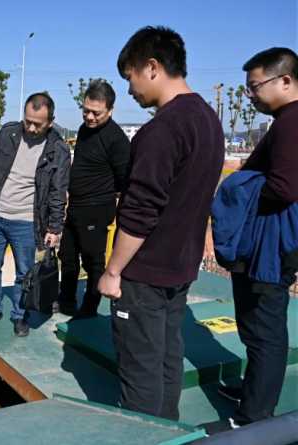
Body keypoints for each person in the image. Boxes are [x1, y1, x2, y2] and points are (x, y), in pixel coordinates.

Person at [97, 26, 224, 420]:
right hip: (179, 269)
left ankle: (146, 433)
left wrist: (113, 270)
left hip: (146, 274)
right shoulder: (208, 120)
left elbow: (140, 211)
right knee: (169, 359)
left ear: (151, 67)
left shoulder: (161, 130)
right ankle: (169, 428)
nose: (131, 89)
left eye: (131, 77)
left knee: (141, 373)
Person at [212, 47, 298, 431]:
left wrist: (237, 188)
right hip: (265, 243)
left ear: (285, 80)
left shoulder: (292, 123)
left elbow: (283, 187)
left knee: (265, 328)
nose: (251, 95)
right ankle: (253, 391)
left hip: (272, 248)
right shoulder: (284, 121)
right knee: (253, 322)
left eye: (255, 86)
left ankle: (254, 417)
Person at [0, 92, 71, 337]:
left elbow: (57, 192)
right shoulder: (8, 133)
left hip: (27, 222)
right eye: (27, 120)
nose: (30, 127)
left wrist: (54, 228)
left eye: (37, 124)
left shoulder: (58, 149)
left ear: (50, 121)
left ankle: (20, 316)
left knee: (24, 274)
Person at [55, 79, 130, 318]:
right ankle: (65, 299)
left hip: (96, 209)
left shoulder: (117, 139)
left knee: (92, 261)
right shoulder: (84, 130)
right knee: (67, 255)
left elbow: (124, 180)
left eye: (95, 113)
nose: (89, 116)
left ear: (110, 110)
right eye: (85, 110)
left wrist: (103, 194)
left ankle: (89, 308)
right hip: (75, 205)